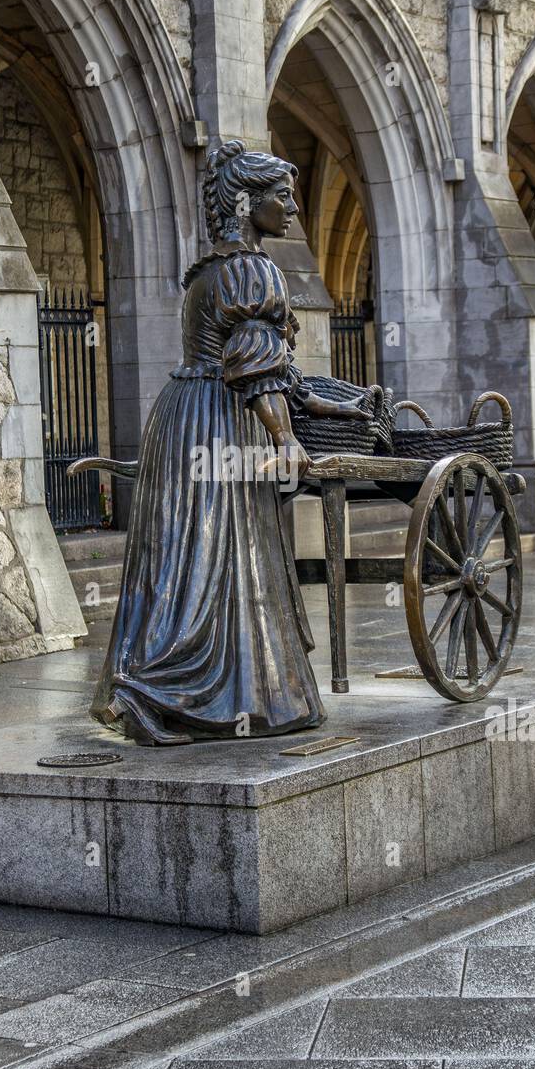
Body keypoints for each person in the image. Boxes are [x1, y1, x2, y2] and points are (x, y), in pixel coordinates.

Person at [91, 140, 331, 745]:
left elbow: (278, 372)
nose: (293, 210)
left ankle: (148, 687)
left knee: (184, 553)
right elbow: (255, 366)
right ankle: (180, 690)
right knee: (213, 557)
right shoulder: (252, 271)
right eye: (283, 198)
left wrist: (326, 403)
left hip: (184, 415)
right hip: (221, 418)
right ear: (248, 203)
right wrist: (284, 439)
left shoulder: (209, 271)